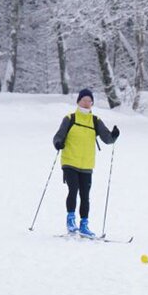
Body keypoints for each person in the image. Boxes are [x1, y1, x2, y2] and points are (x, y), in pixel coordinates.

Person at [51, 88, 120, 237]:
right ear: (78, 101)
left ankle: (84, 225)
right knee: (73, 190)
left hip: (87, 164)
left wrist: (114, 136)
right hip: (70, 161)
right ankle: (70, 221)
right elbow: (58, 136)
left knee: (85, 195)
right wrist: (58, 143)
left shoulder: (95, 121)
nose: (87, 103)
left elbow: (107, 139)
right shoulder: (70, 118)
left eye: (90, 101)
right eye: (84, 100)